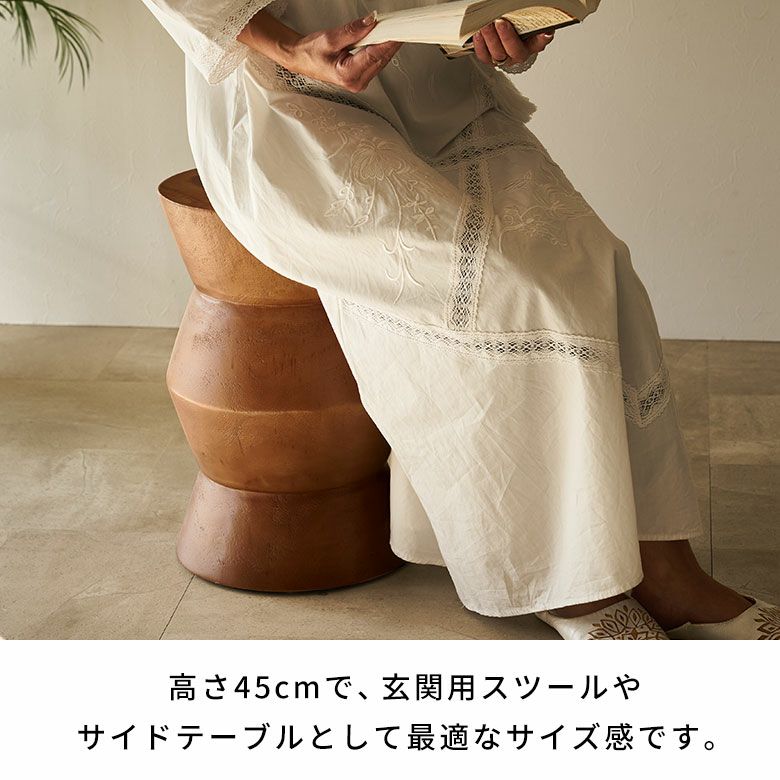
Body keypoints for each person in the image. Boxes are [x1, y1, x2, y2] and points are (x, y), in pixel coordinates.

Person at [140, 1, 779, 639]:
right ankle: (564, 582)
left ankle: (667, 569)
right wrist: (285, 45)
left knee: (598, 263)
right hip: (286, 107)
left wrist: (503, 27)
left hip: (432, 93)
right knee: (509, 293)